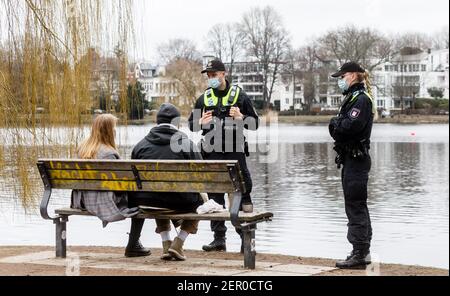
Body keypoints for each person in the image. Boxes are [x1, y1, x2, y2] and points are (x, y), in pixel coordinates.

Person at [188, 59, 259, 253]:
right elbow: (191, 125)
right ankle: (219, 240)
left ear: (223, 74)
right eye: (208, 75)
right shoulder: (204, 98)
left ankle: (246, 241)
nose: (210, 78)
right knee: (214, 195)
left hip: (234, 153)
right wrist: (200, 121)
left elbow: (255, 124)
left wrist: (241, 118)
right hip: (212, 153)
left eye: (213, 74)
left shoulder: (239, 95)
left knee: (241, 193)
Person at [128, 103, 204, 261]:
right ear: (176, 123)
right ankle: (178, 243)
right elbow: (201, 176)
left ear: (157, 122)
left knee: (156, 191)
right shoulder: (187, 144)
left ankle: (166, 242)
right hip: (179, 202)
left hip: (145, 202)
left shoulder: (140, 146)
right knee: (201, 200)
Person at [71, 114, 150, 258]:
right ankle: (133, 245)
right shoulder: (109, 153)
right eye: (114, 128)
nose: (115, 131)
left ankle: (134, 245)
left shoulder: (82, 148)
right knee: (140, 200)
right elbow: (119, 186)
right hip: (103, 201)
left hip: (81, 201)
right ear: (108, 131)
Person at [329, 61, 377, 269]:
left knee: (355, 205)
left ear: (354, 75)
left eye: (343, 76)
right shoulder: (352, 98)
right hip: (351, 158)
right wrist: (337, 124)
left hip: (357, 159)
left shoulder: (361, 99)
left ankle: (359, 252)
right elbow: (343, 126)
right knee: (356, 204)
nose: (341, 80)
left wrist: (334, 124)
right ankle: (362, 250)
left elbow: (348, 127)